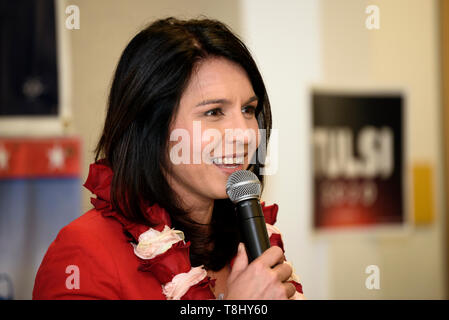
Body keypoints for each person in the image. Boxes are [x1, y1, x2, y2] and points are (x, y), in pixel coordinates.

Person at [32, 17, 304, 300]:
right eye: (213, 112)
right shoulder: (84, 252)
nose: (246, 135)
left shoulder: (251, 242)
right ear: (152, 127)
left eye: (248, 110)